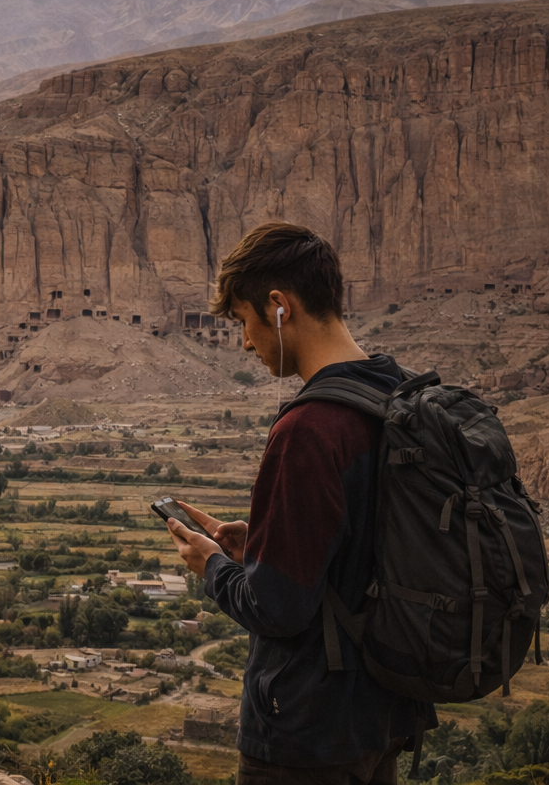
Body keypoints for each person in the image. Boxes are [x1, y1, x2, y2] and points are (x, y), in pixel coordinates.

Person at [164, 223, 435, 785]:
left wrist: (211, 566)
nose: (243, 341)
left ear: (279, 307)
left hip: (308, 735)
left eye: (244, 321)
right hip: (385, 714)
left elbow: (277, 608)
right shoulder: (397, 392)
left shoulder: (309, 428)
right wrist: (259, 545)